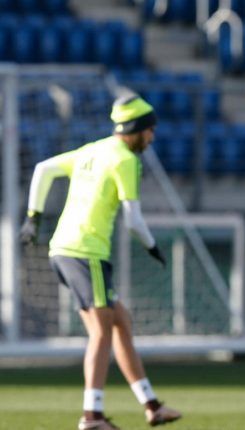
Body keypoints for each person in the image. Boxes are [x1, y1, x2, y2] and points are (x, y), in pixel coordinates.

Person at [20, 95, 182, 430]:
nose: (151, 137)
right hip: (85, 253)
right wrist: (152, 247)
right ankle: (91, 416)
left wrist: (33, 217)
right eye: (150, 130)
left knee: (120, 321)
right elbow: (134, 220)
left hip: (62, 250)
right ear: (137, 129)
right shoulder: (125, 159)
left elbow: (43, 169)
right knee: (101, 332)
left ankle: (152, 406)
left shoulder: (93, 149)